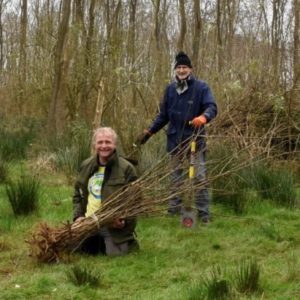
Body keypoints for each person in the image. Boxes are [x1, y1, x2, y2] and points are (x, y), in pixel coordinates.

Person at [136, 51, 217, 224]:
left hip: (195, 141)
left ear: (191, 69)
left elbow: (211, 106)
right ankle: (174, 210)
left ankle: (203, 214)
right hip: (175, 141)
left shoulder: (201, 88)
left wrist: (204, 117)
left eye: (184, 67)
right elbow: (163, 116)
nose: (181, 70)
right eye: (178, 67)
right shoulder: (170, 90)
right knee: (175, 178)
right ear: (175, 70)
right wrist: (149, 132)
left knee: (199, 177)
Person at [73, 127, 139, 256]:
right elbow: (77, 195)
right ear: (94, 145)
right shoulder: (85, 165)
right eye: (100, 142)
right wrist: (78, 217)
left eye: (108, 142)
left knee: (114, 255)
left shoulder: (127, 168)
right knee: (72, 250)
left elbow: (135, 201)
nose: (104, 146)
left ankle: (127, 241)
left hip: (112, 226)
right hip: (89, 222)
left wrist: (123, 220)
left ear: (115, 144)